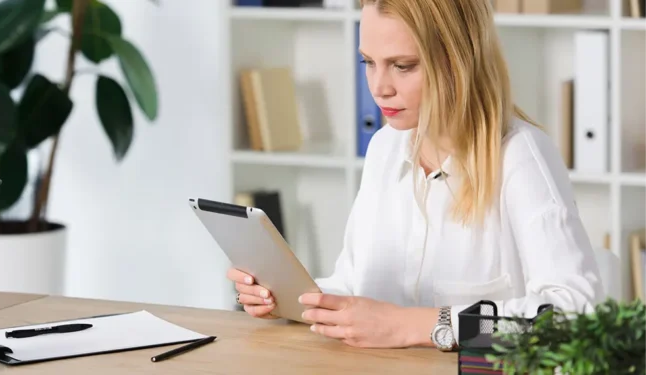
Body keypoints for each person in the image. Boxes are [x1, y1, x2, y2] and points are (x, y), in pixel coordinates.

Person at [226, 0, 605, 351]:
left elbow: (572, 319)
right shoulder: (384, 148)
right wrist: (291, 299)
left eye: (403, 65)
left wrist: (416, 326)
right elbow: (354, 285)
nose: (379, 87)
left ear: (458, 60)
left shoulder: (520, 156)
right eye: (368, 63)